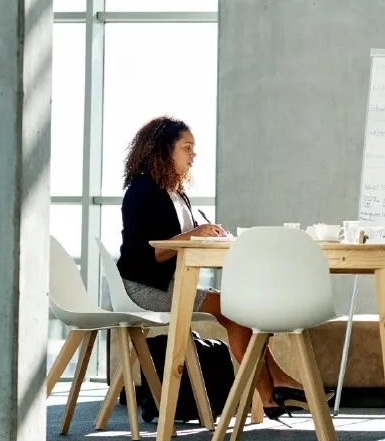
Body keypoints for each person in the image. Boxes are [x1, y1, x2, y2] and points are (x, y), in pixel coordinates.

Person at [116, 115, 307, 415]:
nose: (194, 155)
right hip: (144, 287)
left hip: (171, 283)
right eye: (187, 147)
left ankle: (273, 391)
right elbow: (147, 255)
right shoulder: (141, 192)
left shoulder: (175, 192)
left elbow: (186, 233)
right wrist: (194, 234)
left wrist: (208, 230)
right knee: (235, 310)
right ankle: (273, 389)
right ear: (165, 150)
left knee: (239, 310)